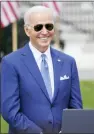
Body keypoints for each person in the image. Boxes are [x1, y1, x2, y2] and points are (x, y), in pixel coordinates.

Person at [1, 5, 82, 134]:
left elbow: (76, 106)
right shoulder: (11, 63)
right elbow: (9, 111)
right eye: (38, 27)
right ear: (27, 30)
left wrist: (67, 129)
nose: (44, 32)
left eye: (49, 26)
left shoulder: (68, 62)